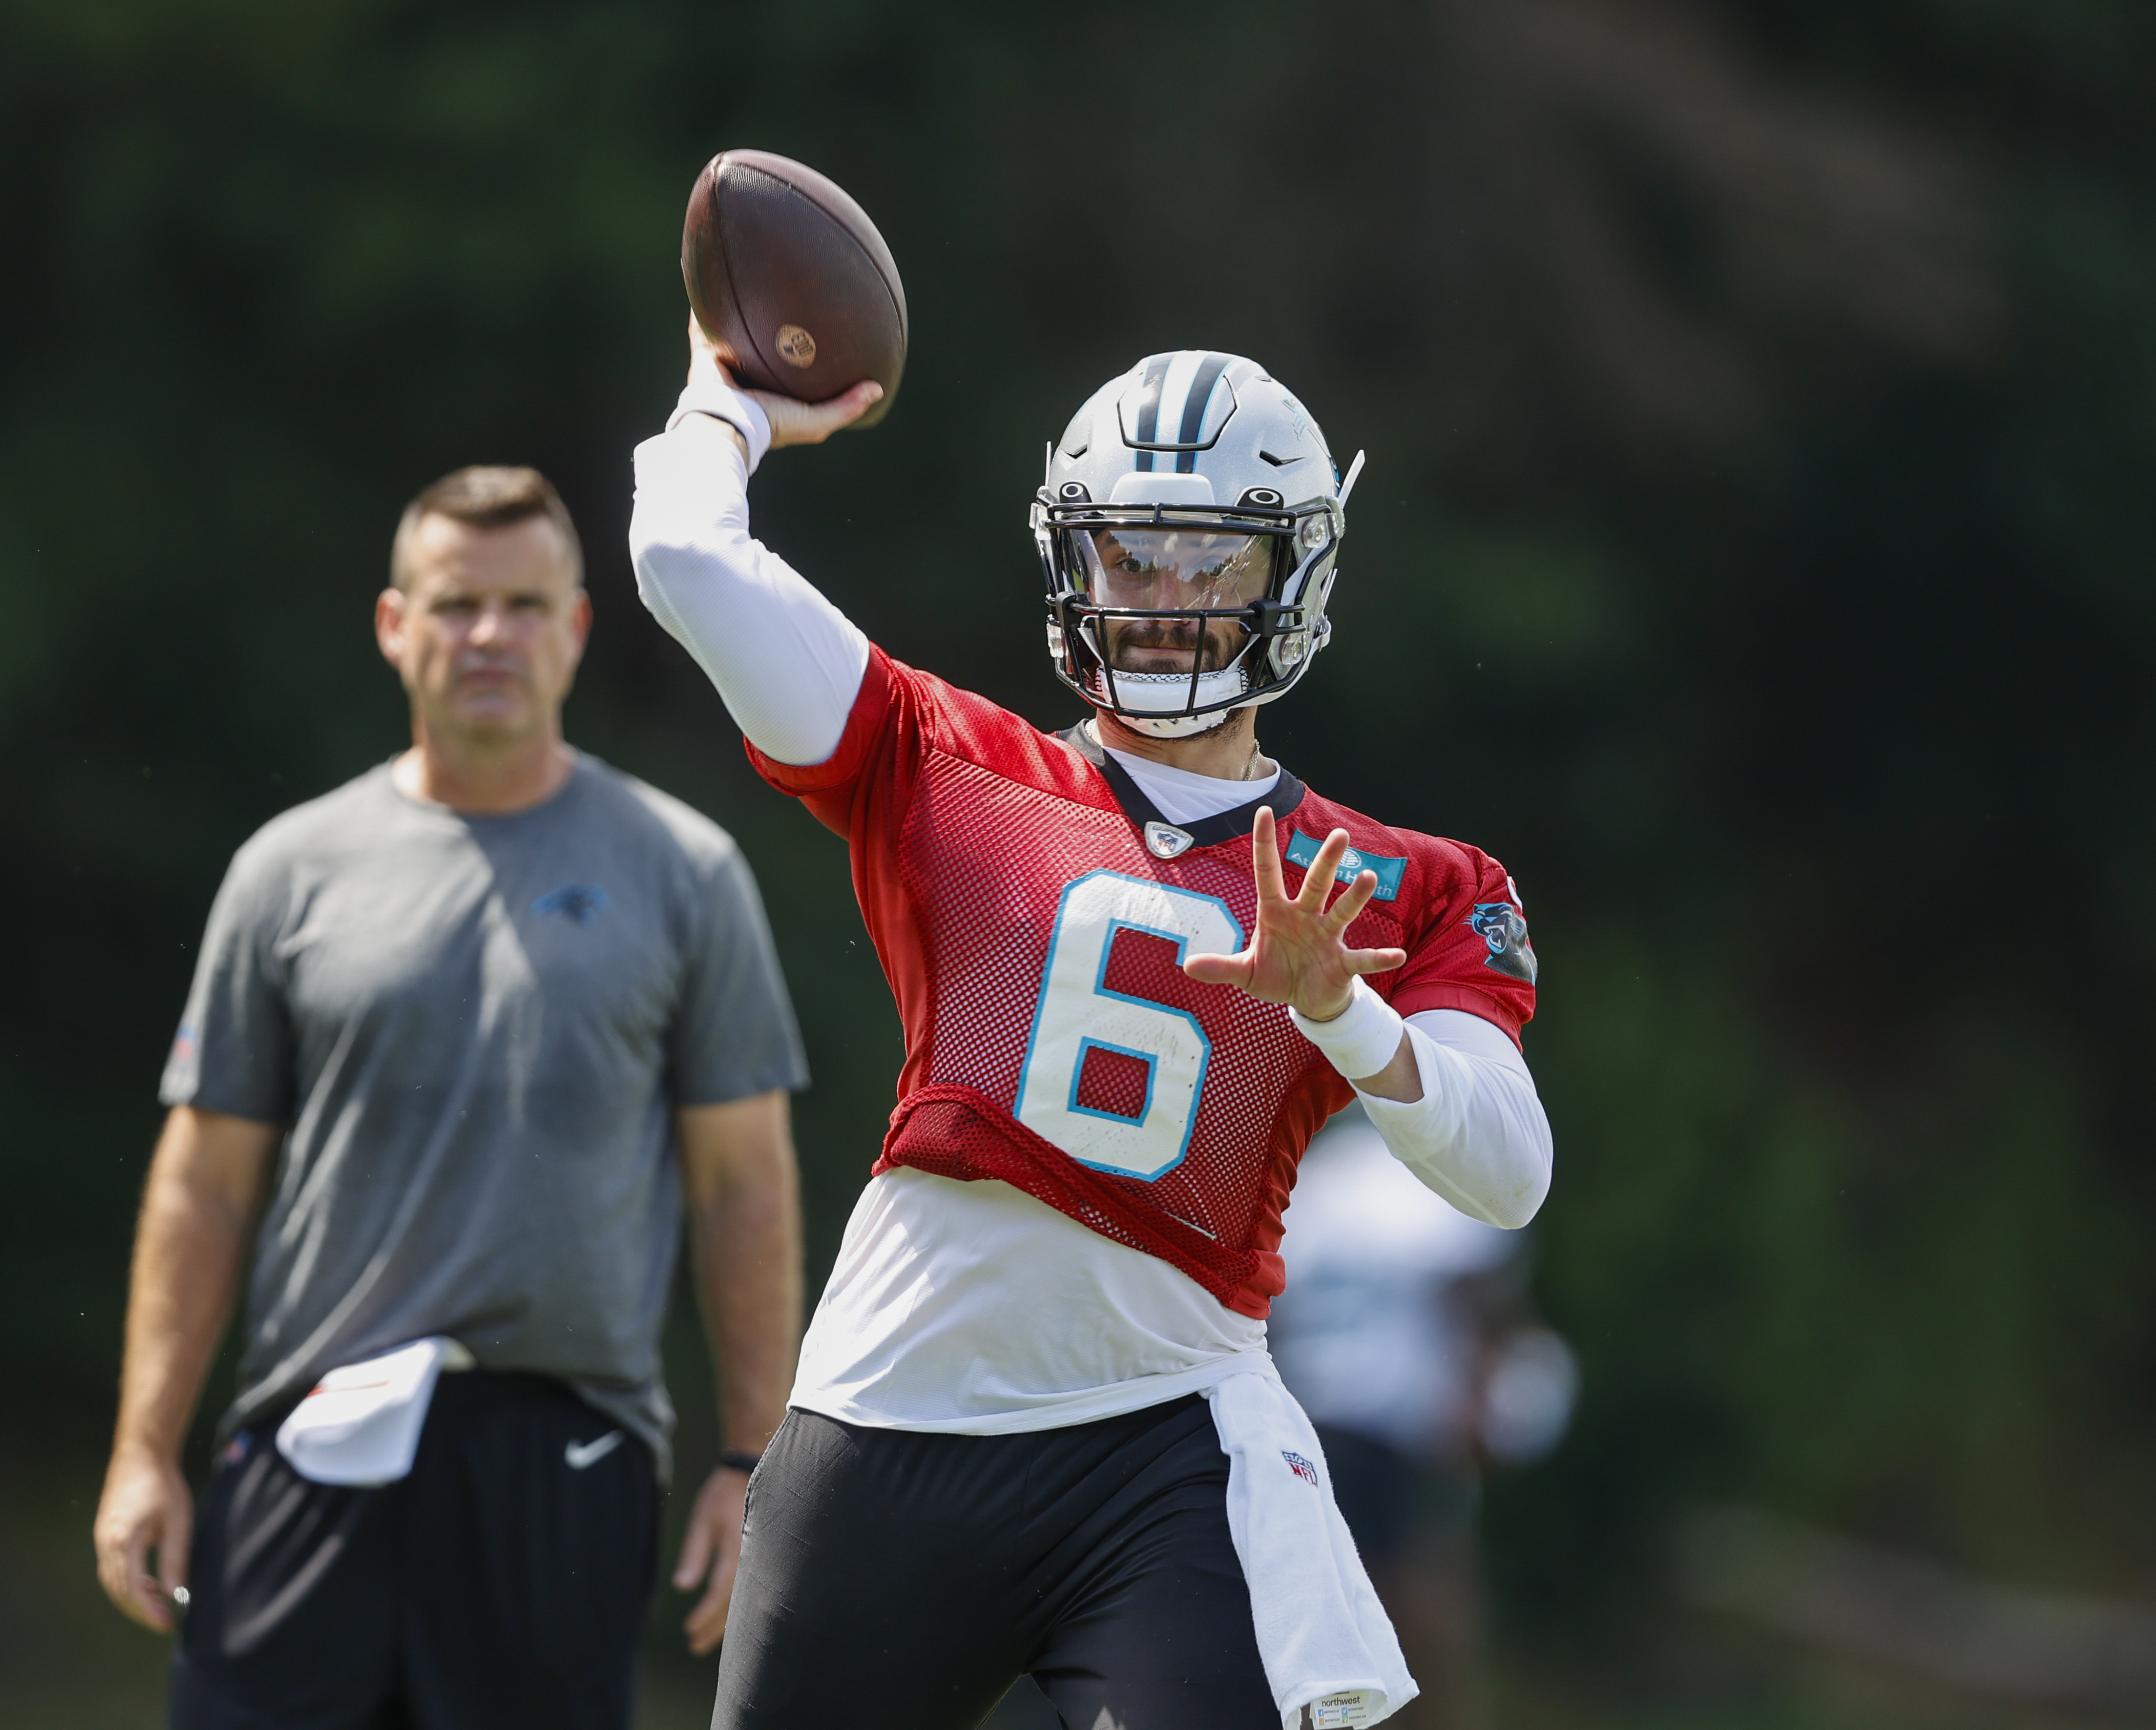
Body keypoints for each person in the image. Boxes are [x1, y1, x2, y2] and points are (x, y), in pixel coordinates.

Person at [628, 328, 1556, 1730]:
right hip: (899, 1413)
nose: (1169, 599)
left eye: (1213, 560)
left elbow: (1507, 1169)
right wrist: (726, 398)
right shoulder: (948, 764)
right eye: (1132, 555)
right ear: (1074, 562)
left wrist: (1339, 1007)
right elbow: (688, 561)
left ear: (1290, 573)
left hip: (1161, 1441)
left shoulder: (1400, 882)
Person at [92, 465, 810, 1730]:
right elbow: (205, 1180)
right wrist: (146, 1447)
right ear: (393, 624)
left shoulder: (683, 872)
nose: (491, 634)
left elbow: (742, 1185)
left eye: (527, 604)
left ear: (578, 630)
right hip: (311, 1437)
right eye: (457, 602)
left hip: (563, 1450)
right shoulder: (289, 871)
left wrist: (755, 1463)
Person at [1271, 1113, 1579, 1730]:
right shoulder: (1438, 1182)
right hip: (1389, 1438)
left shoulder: (1317, 1175)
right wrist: (1479, 1402)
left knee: (1312, 1641)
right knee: (1427, 1633)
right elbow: (1474, 1298)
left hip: (1296, 1428)